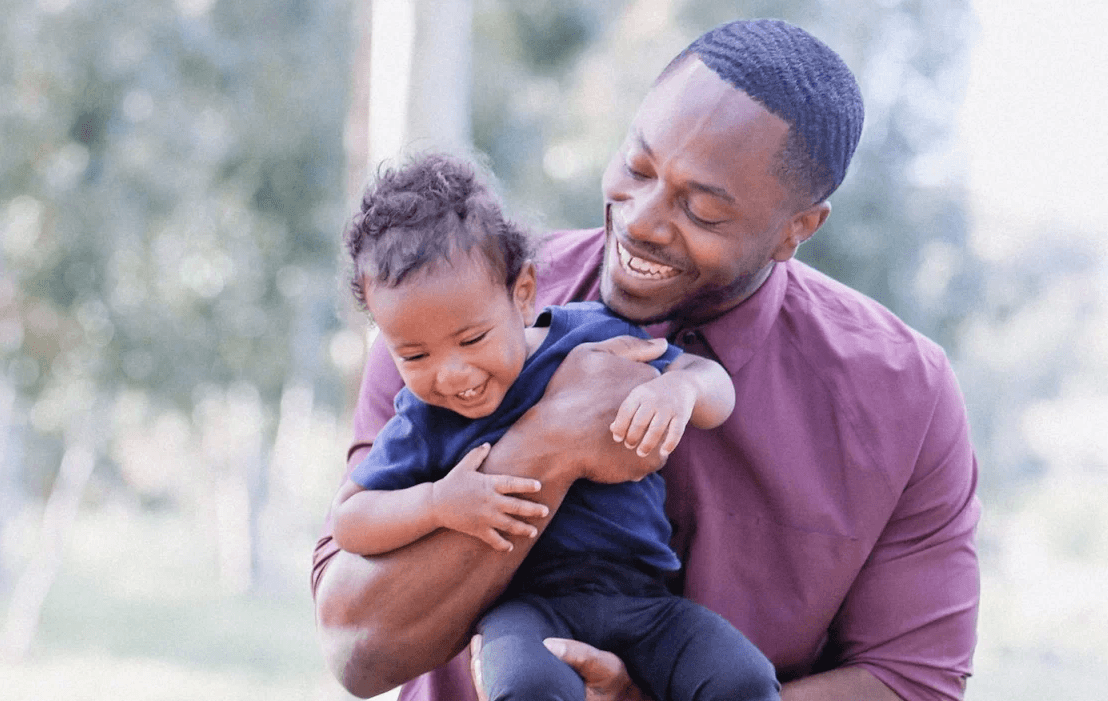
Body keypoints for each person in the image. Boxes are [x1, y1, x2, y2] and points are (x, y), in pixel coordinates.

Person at [312, 17, 980, 701]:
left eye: (702, 209)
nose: (640, 220)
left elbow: (912, 683)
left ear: (795, 229)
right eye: (636, 166)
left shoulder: (905, 396)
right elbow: (357, 651)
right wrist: (546, 444)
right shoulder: (456, 315)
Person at [329, 152, 779, 701]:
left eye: (472, 340)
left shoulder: (592, 339)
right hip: (527, 611)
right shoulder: (424, 420)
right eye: (414, 355)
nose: (452, 374)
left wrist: (679, 389)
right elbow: (350, 519)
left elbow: (712, 384)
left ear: (522, 294)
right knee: (526, 687)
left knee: (744, 680)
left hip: (644, 601)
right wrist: (437, 503)